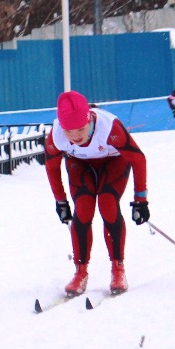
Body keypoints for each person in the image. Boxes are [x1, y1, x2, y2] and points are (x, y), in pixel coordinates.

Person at [44, 90, 149, 296]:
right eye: (69, 131)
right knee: (82, 208)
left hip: (113, 161)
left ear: (89, 120)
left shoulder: (109, 128)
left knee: (107, 203)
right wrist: (61, 201)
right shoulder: (56, 135)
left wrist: (141, 200)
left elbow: (138, 159)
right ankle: (80, 272)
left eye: (80, 130)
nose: (75, 137)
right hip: (80, 165)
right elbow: (52, 167)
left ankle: (118, 269)